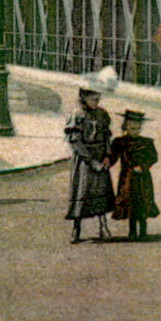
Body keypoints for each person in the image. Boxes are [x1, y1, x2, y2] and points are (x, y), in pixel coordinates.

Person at [63, 87, 114, 242]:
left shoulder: (102, 114)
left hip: (100, 156)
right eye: (93, 99)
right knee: (82, 191)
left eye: (98, 99)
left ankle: (103, 227)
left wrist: (107, 156)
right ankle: (76, 229)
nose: (96, 102)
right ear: (84, 98)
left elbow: (106, 137)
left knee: (101, 192)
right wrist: (91, 161)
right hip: (84, 160)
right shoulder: (77, 114)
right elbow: (75, 141)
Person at [107, 108, 160, 242]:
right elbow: (113, 156)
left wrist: (143, 166)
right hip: (127, 178)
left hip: (143, 178)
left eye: (137, 129)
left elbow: (153, 157)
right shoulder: (120, 142)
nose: (134, 131)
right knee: (130, 201)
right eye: (131, 128)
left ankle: (143, 230)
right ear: (126, 127)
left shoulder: (147, 142)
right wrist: (106, 162)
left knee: (143, 201)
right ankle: (132, 230)